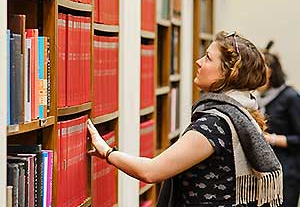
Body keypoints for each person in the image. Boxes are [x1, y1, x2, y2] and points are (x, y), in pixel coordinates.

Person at [87, 31, 283, 207]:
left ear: (228, 74)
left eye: (208, 58)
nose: (198, 62)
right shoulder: (242, 112)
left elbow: (151, 172)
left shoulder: (214, 125)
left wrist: (107, 152)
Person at [258, 47, 300, 207]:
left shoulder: (290, 97)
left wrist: (272, 139)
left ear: (271, 74)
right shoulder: (260, 98)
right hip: (268, 172)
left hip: (288, 173)